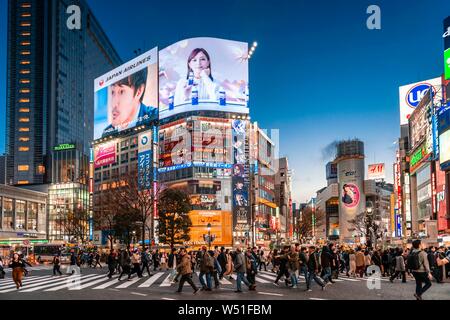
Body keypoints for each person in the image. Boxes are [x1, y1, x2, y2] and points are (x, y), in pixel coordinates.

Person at [102, 68, 157, 137]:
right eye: (112, 92)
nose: (113, 104)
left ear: (138, 92)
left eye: (121, 92)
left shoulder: (156, 116)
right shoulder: (107, 133)